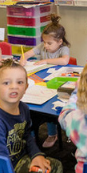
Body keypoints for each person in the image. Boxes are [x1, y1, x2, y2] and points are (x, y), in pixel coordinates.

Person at [19, 13, 70, 148]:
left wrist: (45, 60)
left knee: (49, 108)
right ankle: (32, 135)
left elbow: (64, 61)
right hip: (42, 80)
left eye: (49, 43)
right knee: (33, 106)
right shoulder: (42, 46)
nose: (46, 46)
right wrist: (23, 58)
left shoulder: (63, 48)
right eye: (44, 42)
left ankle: (52, 133)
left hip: (57, 81)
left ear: (59, 41)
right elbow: (29, 53)